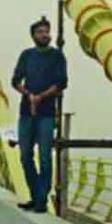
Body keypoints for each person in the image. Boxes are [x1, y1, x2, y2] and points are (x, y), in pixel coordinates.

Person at [11, 16, 68, 213]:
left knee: (45, 157)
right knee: (25, 156)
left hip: (46, 114)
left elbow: (61, 83)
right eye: (40, 32)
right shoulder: (26, 55)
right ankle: (35, 196)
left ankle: (42, 200)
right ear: (33, 36)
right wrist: (29, 95)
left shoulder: (57, 56)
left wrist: (41, 97)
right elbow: (15, 80)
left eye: (46, 31)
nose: (45, 35)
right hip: (26, 113)